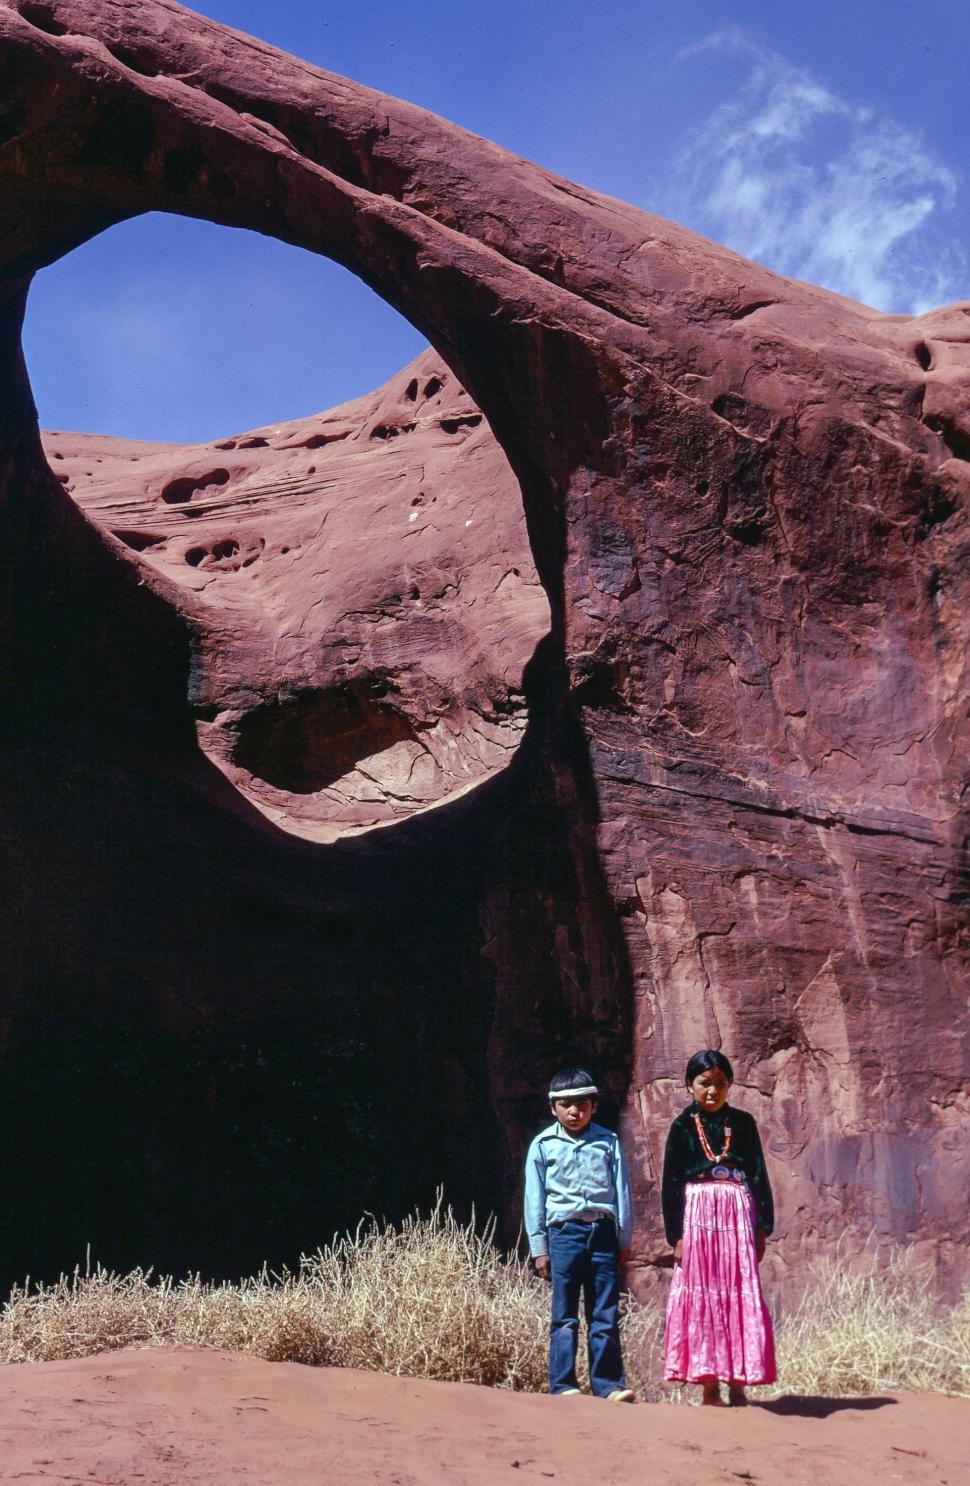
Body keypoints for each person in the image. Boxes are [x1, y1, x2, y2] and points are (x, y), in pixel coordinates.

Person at [661, 1048, 776, 1405]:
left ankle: (738, 1381)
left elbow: (758, 1174)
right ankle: (709, 1385)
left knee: (737, 1292)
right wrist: (676, 1236)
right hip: (697, 1217)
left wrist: (762, 1226)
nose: (712, 1091)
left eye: (720, 1084)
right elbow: (671, 1184)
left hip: (736, 1217)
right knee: (704, 1297)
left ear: (730, 1084)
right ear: (689, 1085)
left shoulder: (742, 1123)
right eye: (704, 1083)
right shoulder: (681, 1127)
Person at [524, 1066, 635, 1401]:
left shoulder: (608, 1142)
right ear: (553, 1107)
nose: (574, 1111)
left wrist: (624, 1240)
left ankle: (609, 1386)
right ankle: (563, 1384)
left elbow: (622, 1192)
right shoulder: (543, 1146)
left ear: (594, 1105)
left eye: (582, 1104)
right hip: (564, 1236)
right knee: (564, 1315)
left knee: (604, 1314)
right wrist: (539, 1247)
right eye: (566, 1105)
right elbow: (535, 1199)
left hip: (602, 1234)